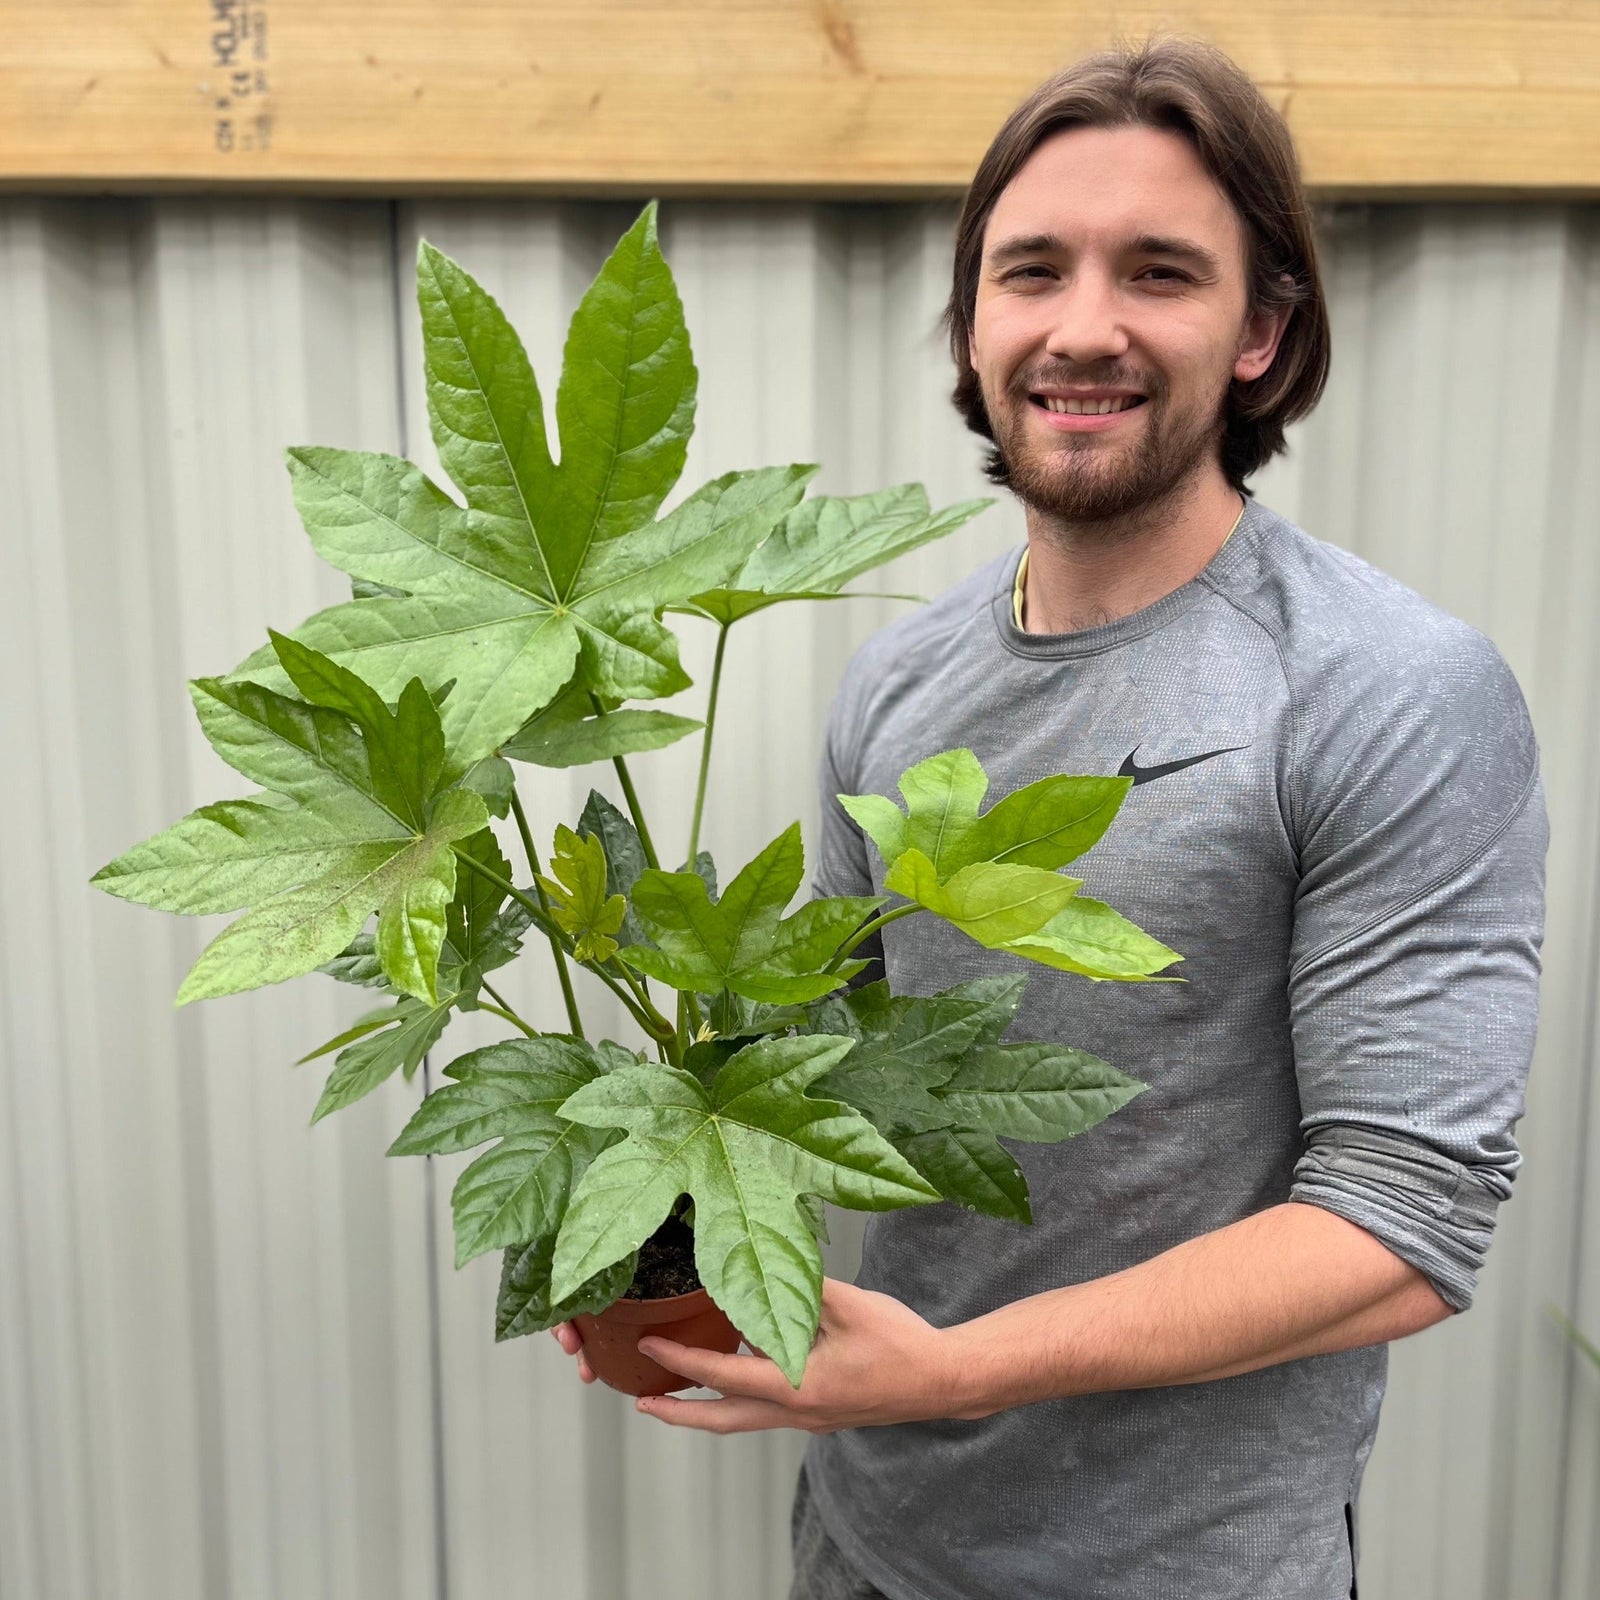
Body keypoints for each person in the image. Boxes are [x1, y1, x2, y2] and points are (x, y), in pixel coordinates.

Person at [553, 35, 1548, 1600]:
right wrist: (634, 1195)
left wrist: (950, 1369)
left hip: (1191, 1570)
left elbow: (1403, 1225)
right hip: (867, 1542)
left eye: (1158, 272)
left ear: (1262, 337)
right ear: (974, 325)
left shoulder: (1389, 686)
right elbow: (817, 1061)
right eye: (1034, 271)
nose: (1085, 327)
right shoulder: (895, 686)